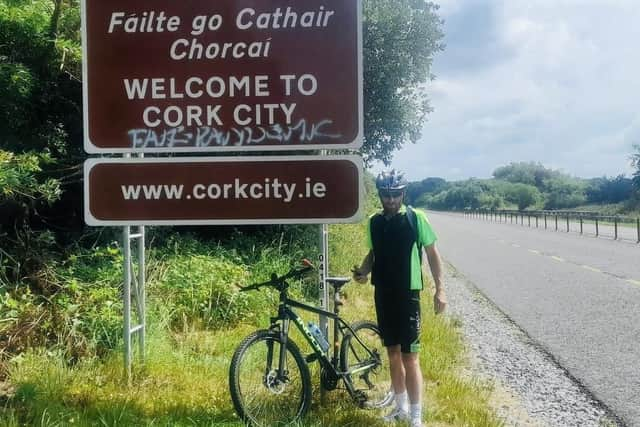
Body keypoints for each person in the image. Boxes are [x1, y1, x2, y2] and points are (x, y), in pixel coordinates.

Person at [352, 170, 446, 427]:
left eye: (395, 194)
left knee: (410, 357)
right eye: (386, 194)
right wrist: (363, 271)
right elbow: (373, 253)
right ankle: (400, 407)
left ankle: (416, 416)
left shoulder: (416, 218)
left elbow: (432, 254)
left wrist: (440, 289)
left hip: (408, 295)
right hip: (383, 292)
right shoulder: (374, 221)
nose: (391, 199)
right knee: (392, 353)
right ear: (380, 195)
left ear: (403, 194)